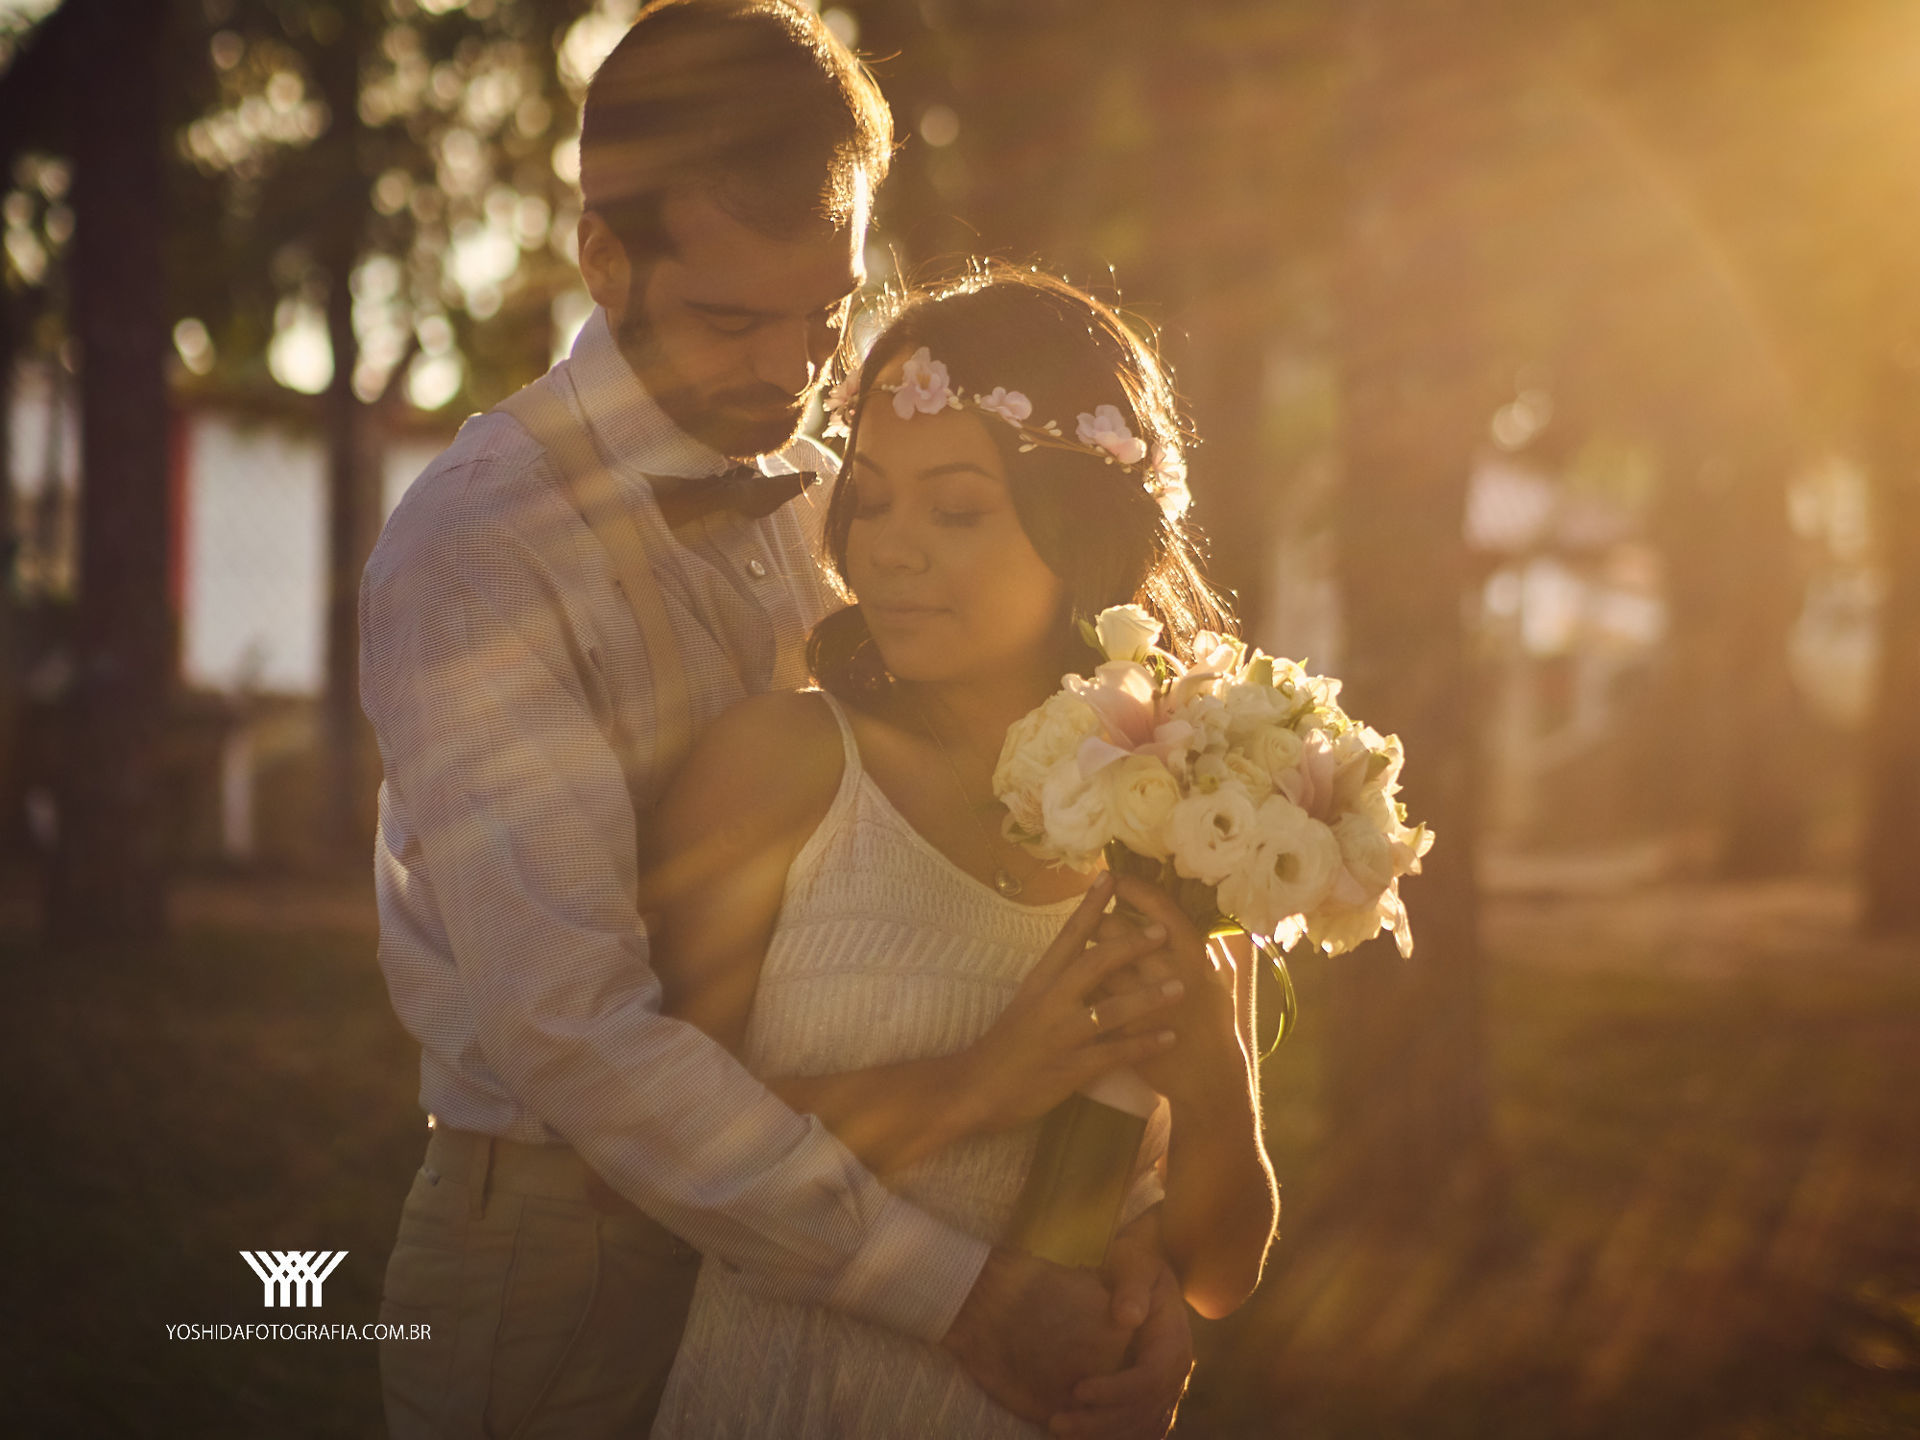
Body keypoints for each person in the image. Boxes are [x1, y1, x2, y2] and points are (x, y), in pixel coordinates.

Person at [360, 3, 1195, 1436]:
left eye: (826, 315)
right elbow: (578, 1033)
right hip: (568, 1248)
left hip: (863, 1215)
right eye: (732, 318)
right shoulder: (479, 556)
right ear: (605, 257)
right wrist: (968, 1292)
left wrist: (1133, 1242)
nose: (794, 369)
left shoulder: (854, 497)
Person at [645, 265, 1280, 1438]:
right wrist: (977, 1085)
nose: (886, 550)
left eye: (954, 509)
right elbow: (654, 1146)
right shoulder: (781, 767)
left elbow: (1215, 1270)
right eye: (872, 498)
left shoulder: (1169, 841)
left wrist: (1216, 1094)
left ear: (1077, 531)